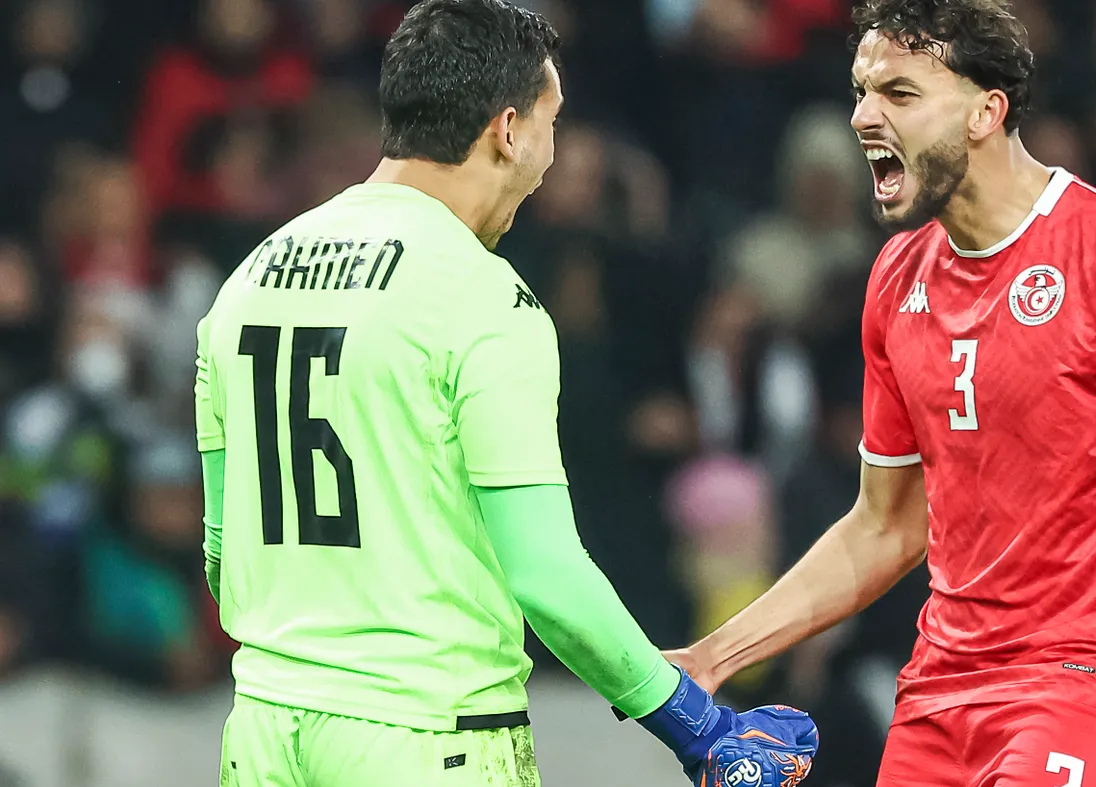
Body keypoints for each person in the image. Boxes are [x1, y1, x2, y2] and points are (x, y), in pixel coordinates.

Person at [192, 2, 818, 786]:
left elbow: (222, 552)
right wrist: (697, 724)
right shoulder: (481, 295)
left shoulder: (249, 280)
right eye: (553, 124)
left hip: (263, 730)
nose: (552, 158)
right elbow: (546, 574)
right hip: (428, 737)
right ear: (509, 130)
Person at [666, 2, 1096, 786]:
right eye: (861, 92)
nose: (862, 117)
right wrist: (713, 656)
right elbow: (884, 525)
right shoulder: (897, 280)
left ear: (985, 113)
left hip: (1088, 682)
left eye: (899, 93)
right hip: (940, 694)